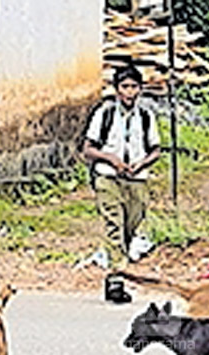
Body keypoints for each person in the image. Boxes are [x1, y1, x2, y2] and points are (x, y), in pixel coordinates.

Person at [82, 65, 161, 261]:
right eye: (125, 87)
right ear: (117, 89)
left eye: (134, 87)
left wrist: (141, 164)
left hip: (136, 178)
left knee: (132, 223)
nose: (130, 92)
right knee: (113, 223)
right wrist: (111, 159)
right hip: (108, 176)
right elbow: (88, 149)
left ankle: (119, 256)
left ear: (140, 89)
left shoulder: (145, 116)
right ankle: (117, 267)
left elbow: (156, 150)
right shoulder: (104, 113)